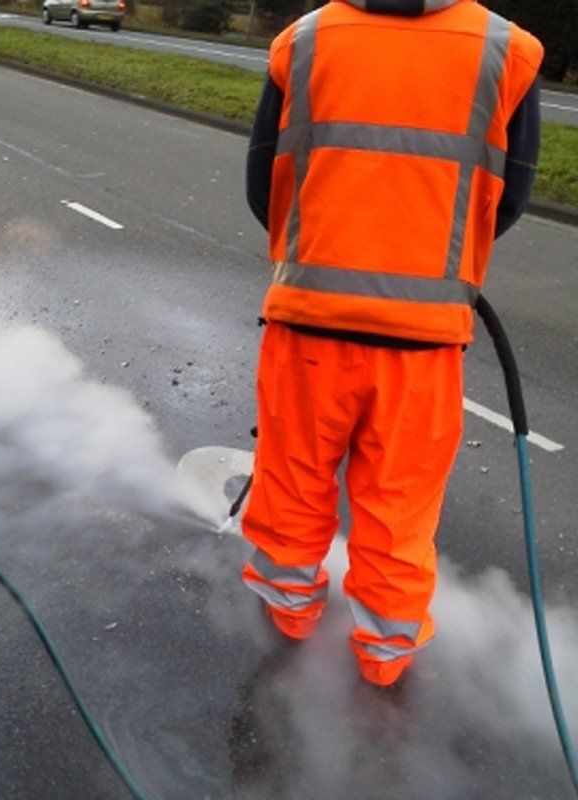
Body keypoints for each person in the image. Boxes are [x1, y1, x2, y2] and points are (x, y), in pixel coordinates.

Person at [242, 0, 543, 687]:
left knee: (292, 489)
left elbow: (265, 183)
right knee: (399, 508)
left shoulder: (303, 40)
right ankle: (385, 661)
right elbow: (509, 195)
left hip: (309, 324)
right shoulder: (507, 50)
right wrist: (432, 255)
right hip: (423, 341)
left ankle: (288, 622)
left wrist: (325, 248)